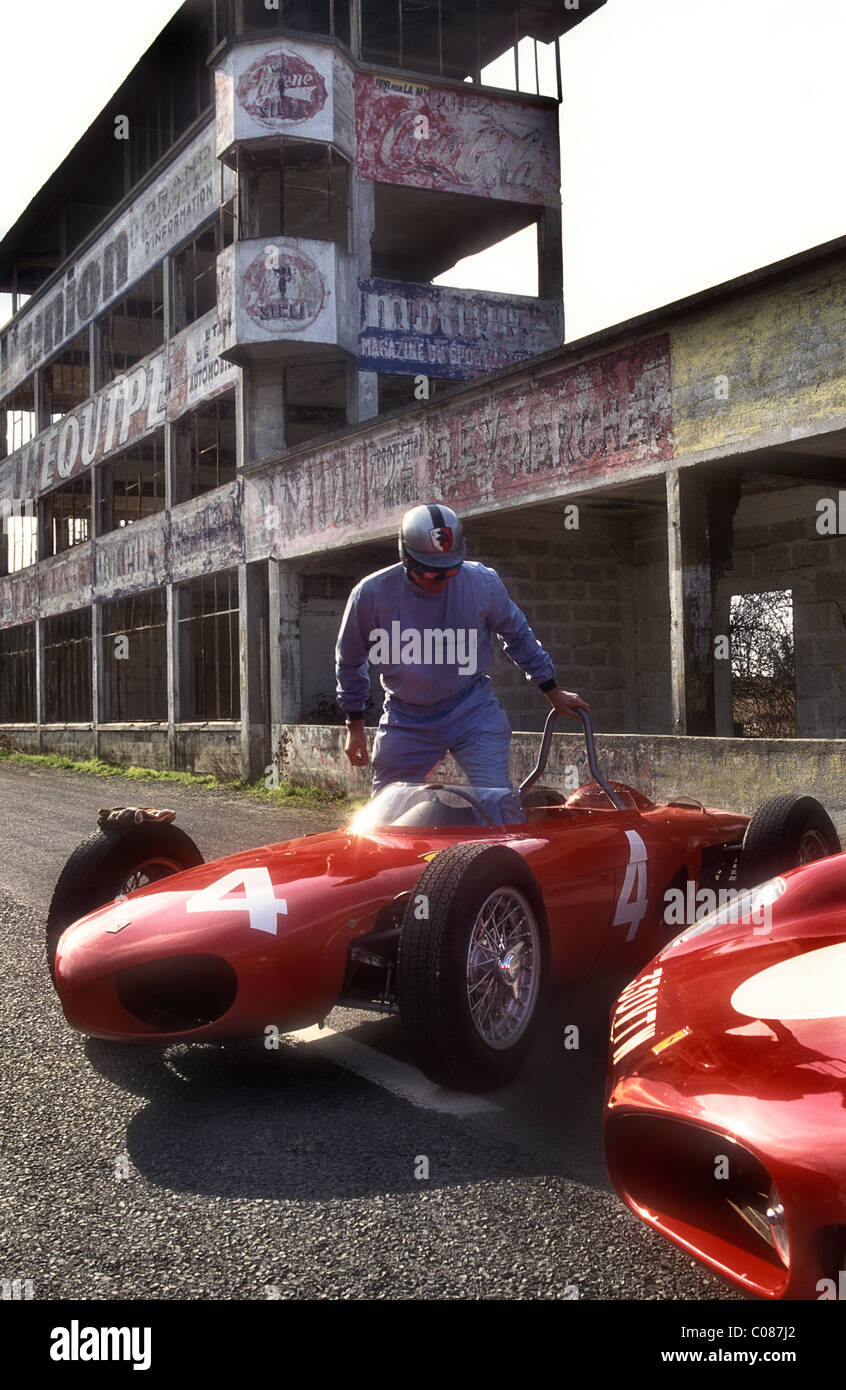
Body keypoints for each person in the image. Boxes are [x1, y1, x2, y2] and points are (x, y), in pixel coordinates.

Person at [335, 502, 589, 823]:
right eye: (430, 571)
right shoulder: (371, 595)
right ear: (406, 560)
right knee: (384, 816)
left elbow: (518, 636)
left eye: (450, 570)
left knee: (497, 802)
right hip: (406, 717)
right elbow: (350, 659)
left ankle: (505, 867)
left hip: (471, 710)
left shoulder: (482, 583)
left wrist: (551, 689)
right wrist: (354, 726)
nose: (441, 580)